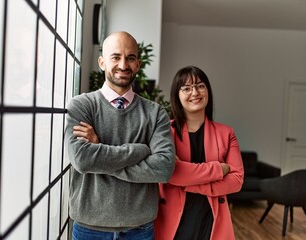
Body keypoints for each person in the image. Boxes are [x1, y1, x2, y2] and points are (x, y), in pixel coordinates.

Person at [64, 31, 175, 240]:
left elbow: (163, 168)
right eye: (115, 57)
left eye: (130, 58)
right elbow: (82, 159)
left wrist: (99, 148)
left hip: (139, 230)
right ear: (102, 62)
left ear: (138, 65)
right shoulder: (81, 106)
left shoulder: (155, 113)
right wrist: (139, 150)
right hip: (90, 229)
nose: (123, 65)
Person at [154, 65, 244, 240]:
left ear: (207, 91)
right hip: (173, 221)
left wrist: (187, 182)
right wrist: (218, 169)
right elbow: (170, 173)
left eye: (200, 86)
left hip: (211, 221)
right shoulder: (165, 132)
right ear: (177, 95)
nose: (195, 92)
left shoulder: (226, 133)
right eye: (187, 88)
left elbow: (236, 181)